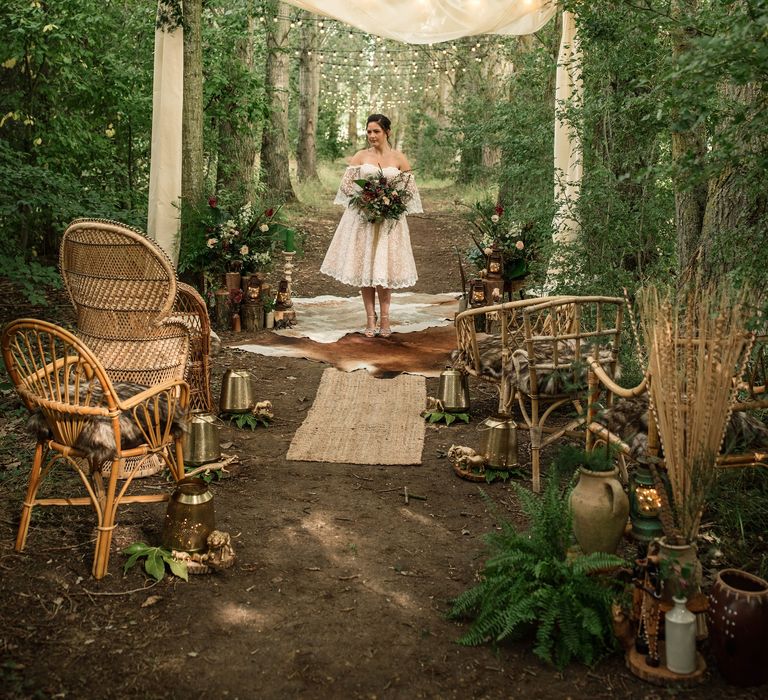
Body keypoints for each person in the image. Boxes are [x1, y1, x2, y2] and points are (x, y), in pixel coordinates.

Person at [321, 113, 422, 337]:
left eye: (376, 131)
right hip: (364, 221)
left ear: (387, 132)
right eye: (368, 131)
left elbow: (409, 192)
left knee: (383, 271)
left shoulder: (399, 158)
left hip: (388, 223)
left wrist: (390, 202)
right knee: (366, 270)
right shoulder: (360, 156)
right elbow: (347, 187)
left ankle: (385, 321)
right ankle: (370, 320)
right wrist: (367, 198)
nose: (371, 136)